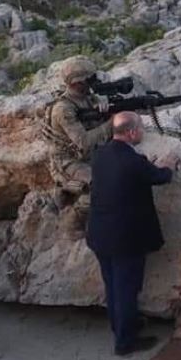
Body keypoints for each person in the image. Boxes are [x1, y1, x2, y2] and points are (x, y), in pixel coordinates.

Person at [87, 112, 176, 356]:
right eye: (141, 128)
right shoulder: (133, 161)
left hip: (100, 234)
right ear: (132, 132)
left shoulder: (100, 154)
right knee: (126, 289)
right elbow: (161, 177)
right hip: (125, 239)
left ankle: (121, 327)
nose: (143, 132)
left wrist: (146, 164)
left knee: (113, 286)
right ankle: (125, 343)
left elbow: (127, 175)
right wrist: (168, 165)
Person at [40, 55, 112, 237]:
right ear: (77, 83)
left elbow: (94, 124)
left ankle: (65, 192)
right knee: (102, 186)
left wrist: (106, 112)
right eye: (90, 79)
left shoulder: (87, 98)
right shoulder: (63, 109)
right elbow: (84, 142)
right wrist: (112, 124)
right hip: (67, 161)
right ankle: (72, 223)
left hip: (86, 155)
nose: (94, 82)